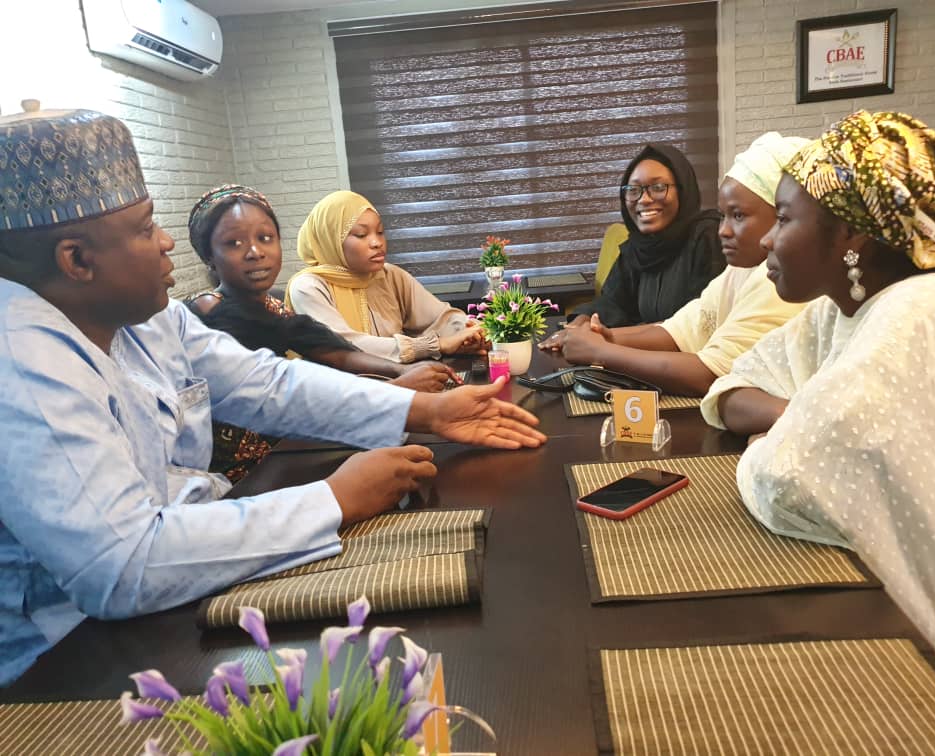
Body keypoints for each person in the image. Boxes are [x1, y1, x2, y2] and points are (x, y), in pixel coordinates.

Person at [0, 109, 546, 685]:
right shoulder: (21, 363)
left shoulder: (143, 318)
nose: (165, 244)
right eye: (143, 228)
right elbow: (122, 565)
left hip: (181, 575)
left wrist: (425, 410)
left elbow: (266, 383)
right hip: (68, 660)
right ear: (77, 260)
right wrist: (333, 499)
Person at [700, 110, 935, 686]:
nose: (767, 236)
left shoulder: (922, 307)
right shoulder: (850, 306)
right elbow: (732, 387)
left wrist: (787, 438)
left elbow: (782, 481)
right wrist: (802, 426)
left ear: (851, 233)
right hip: (887, 597)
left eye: (784, 217)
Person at [186, 185, 462, 480]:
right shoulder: (209, 311)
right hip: (242, 476)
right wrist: (395, 390)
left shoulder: (273, 307)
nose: (255, 252)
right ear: (208, 255)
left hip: (292, 448)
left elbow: (336, 354)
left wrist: (402, 371)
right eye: (234, 243)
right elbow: (278, 393)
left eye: (265, 239)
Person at [539, 132, 809, 396]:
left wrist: (601, 350)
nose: (723, 230)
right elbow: (681, 328)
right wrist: (599, 335)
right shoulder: (740, 268)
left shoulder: (776, 276)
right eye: (634, 190)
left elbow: (710, 373)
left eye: (737, 215)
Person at [286, 190, 488, 362]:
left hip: (401, 382)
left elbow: (439, 317)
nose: (377, 242)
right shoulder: (308, 287)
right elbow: (346, 347)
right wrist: (436, 345)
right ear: (329, 240)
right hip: (344, 398)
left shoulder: (389, 275)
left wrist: (470, 332)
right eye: (361, 235)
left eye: (380, 232)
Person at [567, 143, 725, 327]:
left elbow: (700, 323)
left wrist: (607, 339)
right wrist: (580, 324)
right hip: (639, 352)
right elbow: (613, 303)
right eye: (634, 190)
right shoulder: (638, 248)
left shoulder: (710, 237)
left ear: (682, 190)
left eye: (658, 187)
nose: (644, 199)